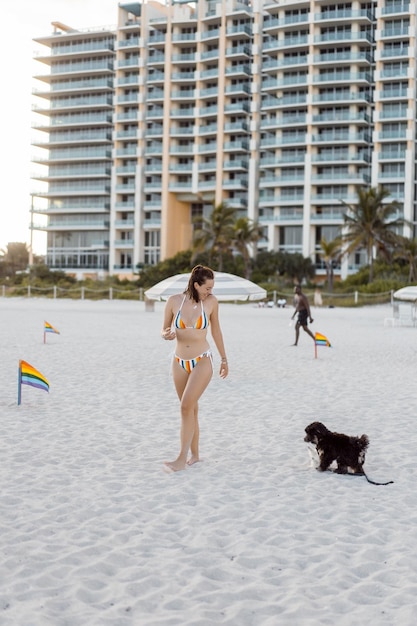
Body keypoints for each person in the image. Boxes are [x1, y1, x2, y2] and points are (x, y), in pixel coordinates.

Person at [161, 265, 228, 472]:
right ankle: (195, 454)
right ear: (196, 284)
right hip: (179, 360)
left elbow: (216, 331)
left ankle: (181, 458)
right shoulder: (173, 302)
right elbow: (164, 329)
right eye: (207, 287)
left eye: (212, 287)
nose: (211, 291)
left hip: (202, 359)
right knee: (191, 409)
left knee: (185, 406)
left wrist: (224, 359)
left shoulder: (211, 303)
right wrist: (167, 334)